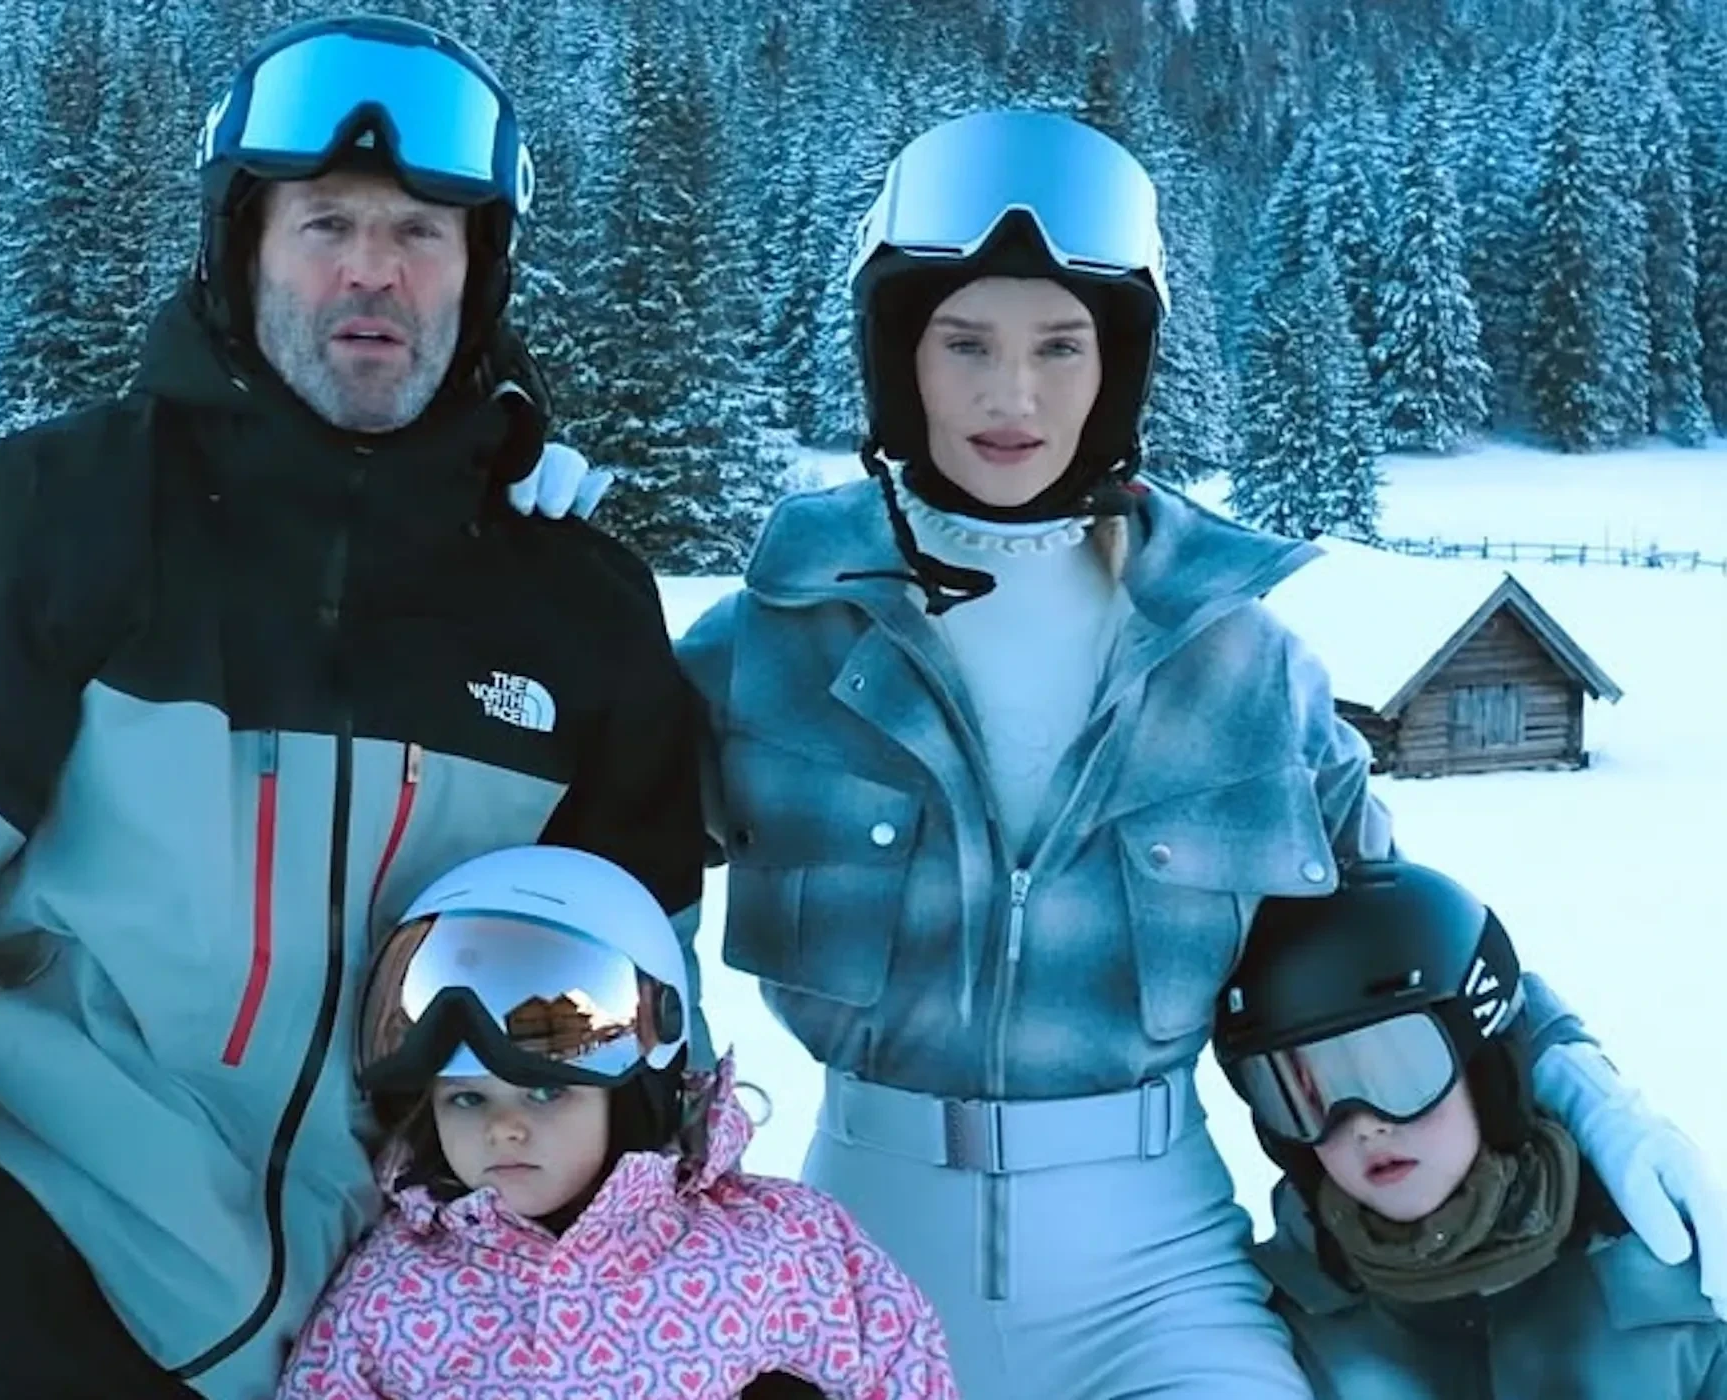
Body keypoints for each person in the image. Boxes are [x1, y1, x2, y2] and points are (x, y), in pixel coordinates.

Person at [0, 17, 709, 1400]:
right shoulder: (54, 519)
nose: (372, 268)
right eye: (325, 223)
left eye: (421, 231)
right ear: (241, 246)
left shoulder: (575, 609)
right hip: (28, 1237)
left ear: (481, 271)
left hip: (412, 1314)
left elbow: (642, 1006)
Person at [671, 108, 1725, 1397]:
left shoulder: (1238, 664)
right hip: (857, 1251)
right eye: (967, 343)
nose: (1014, 395)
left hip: (1152, 1265)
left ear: (1118, 364)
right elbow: (593, 883)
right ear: (901, 356)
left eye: (1061, 346)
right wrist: (509, 555)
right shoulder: (770, 638)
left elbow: (1399, 928)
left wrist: (1579, 1075)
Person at [276, 844, 958, 1399]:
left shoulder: (772, 1247)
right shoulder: (394, 1289)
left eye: (545, 1094)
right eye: (467, 1099)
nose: (503, 1129)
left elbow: (899, 1359)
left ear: (633, 1097)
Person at [1214, 859, 1727, 1397]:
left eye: (1400, 1073)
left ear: (1487, 1075)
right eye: (1306, 1097)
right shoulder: (1274, 1347)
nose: (1364, 1125)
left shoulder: (1676, 1293)